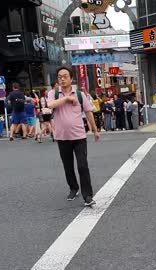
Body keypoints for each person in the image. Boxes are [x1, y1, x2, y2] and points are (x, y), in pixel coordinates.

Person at [47, 66, 100, 207]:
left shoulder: (80, 94)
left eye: (65, 76)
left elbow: (89, 112)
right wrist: (67, 99)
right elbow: (50, 105)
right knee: (68, 166)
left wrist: (95, 130)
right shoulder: (53, 93)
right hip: (62, 137)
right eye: (59, 76)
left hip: (79, 136)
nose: (62, 79)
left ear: (71, 79)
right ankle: (73, 188)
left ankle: (88, 196)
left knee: (83, 166)